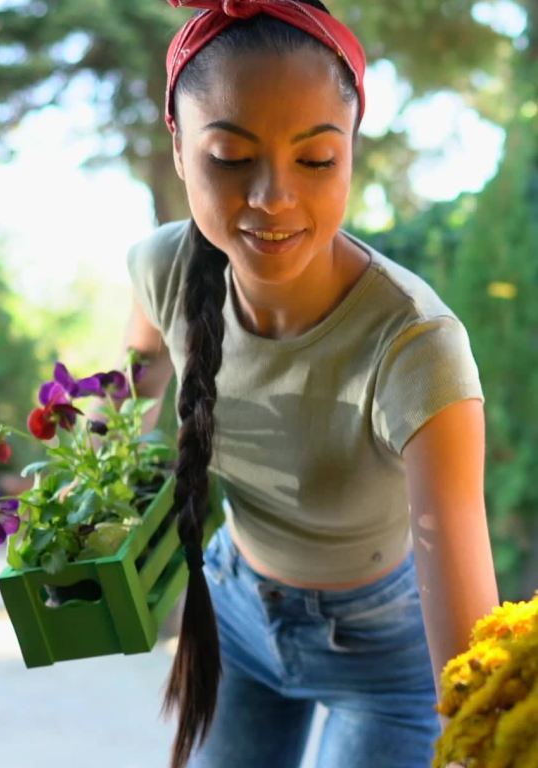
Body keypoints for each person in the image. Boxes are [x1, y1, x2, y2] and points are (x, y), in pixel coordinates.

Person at [122, 1, 499, 766]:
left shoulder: (417, 348)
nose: (272, 197)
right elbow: (123, 395)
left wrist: (487, 734)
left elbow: (469, 655)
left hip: (385, 654)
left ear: (351, 149)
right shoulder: (163, 267)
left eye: (316, 160)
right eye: (230, 156)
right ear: (178, 144)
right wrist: (92, 486)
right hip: (233, 612)